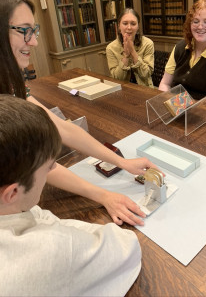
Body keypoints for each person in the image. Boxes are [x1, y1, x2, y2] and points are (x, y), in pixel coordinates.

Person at [0, 0, 159, 227]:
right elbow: (39, 163)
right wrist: (103, 194)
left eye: (35, 30)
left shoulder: (10, 87)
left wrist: (122, 162)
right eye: (24, 30)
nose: (34, 42)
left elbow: (62, 128)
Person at [0, 95, 141, 296]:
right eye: (49, 167)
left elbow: (37, 214)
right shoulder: (51, 250)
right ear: (13, 192)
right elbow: (126, 247)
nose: (55, 168)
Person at [106, 8, 154, 87]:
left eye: (133, 24)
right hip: (122, 90)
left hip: (144, 89)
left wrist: (132, 51)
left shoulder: (148, 43)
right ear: (119, 26)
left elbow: (146, 74)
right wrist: (126, 56)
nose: (129, 27)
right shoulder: (111, 48)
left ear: (138, 26)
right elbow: (117, 79)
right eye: (125, 23)